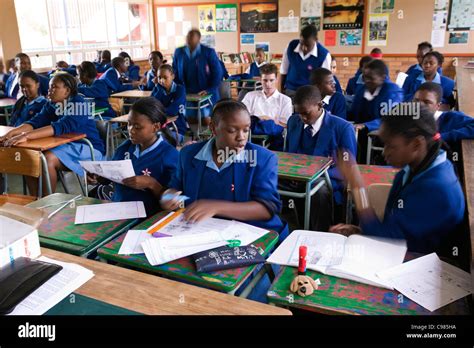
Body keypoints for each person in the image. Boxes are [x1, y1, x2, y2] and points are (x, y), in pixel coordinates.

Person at [330, 103, 465, 254]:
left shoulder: (437, 187)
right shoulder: (412, 169)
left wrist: (357, 185)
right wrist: (360, 231)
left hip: (426, 265)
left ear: (416, 144)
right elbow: (391, 228)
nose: (384, 152)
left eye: (391, 146)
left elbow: (389, 241)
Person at [161, 99, 288, 240]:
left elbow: (267, 208)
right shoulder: (188, 155)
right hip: (203, 233)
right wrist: (168, 198)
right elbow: (172, 190)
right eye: (232, 130)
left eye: (246, 130)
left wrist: (216, 207)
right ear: (213, 128)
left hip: (251, 233)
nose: (241, 137)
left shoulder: (262, 159)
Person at [0, 74, 105, 196]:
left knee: (47, 159)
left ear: (67, 91)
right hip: (65, 146)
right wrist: (10, 133)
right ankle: (36, 202)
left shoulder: (79, 104)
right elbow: (35, 122)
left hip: (87, 148)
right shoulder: (52, 104)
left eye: (54, 87)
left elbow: (60, 126)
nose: (49, 90)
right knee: (29, 157)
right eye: (49, 87)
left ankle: (47, 203)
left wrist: (26, 136)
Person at [285, 85, 356, 231]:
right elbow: (287, 156)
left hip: (327, 180)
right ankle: (283, 232)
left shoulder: (342, 128)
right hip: (295, 178)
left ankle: (319, 234)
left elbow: (348, 168)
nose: (303, 118)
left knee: (318, 188)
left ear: (320, 105)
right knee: (266, 181)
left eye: (306, 113)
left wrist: (311, 175)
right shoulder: (293, 122)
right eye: (299, 113)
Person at [90, 98, 178, 215]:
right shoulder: (125, 147)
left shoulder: (169, 155)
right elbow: (110, 176)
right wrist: (98, 177)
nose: (131, 130)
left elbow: (173, 202)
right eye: (129, 124)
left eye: (137, 127)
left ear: (155, 127)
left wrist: (151, 184)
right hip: (118, 210)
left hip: (147, 217)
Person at [172, 29, 223, 126]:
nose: (189, 40)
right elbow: (174, 72)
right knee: (189, 119)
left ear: (199, 39)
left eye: (192, 37)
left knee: (206, 121)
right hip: (186, 92)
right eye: (188, 37)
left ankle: (207, 138)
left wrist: (209, 90)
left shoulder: (208, 52)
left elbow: (218, 73)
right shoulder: (179, 52)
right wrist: (178, 88)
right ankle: (194, 138)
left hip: (205, 92)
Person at [242, 63, 292, 149]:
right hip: (250, 136)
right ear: (260, 80)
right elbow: (241, 117)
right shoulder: (250, 96)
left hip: (274, 139)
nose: (268, 84)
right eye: (265, 80)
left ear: (276, 79)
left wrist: (269, 119)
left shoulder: (285, 100)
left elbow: (286, 124)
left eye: (271, 80)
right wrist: (260, 118)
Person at [280, 25, 331, 98]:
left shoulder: (324, 55)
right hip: (290, 91)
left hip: (309, 94)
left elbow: (325, 81)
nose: (304, 48)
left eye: (307, 45)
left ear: (316, 40)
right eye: (301, 44)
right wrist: (281, 92)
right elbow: (283, 71)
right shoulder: (291, 46)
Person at [151, 64, 188, 143]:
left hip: (177, 128)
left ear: (173, 76)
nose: (162, 80)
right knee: (145, 138)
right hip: (159, 127)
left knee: (158, 141)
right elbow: (150, 107)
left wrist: (156, 113)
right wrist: (159, 89)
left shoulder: (180, 90)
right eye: (159, 78)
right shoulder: (157, 89)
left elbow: (173, 110)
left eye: (165, 77)